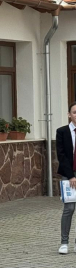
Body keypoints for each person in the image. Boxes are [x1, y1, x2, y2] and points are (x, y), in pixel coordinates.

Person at [56, 102, 76, 254]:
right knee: (69, 209)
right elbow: (61, 156)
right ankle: (64, 242)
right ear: (69, 115)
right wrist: (71, 176)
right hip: (68, 175)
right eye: (74, 112)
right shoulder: (62, 132)